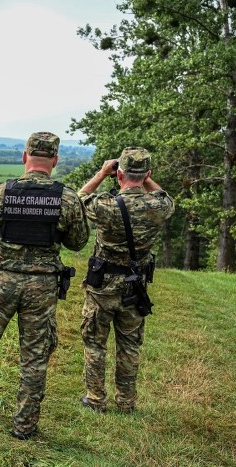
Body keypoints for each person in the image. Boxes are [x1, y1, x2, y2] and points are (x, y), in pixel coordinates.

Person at [0, 131, 89, 440]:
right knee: (35, 355)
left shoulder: (1, 193)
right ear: (55, 160)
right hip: (42, 287)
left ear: (24, 157)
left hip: (3, 281)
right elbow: (78, 242)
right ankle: (24, 426)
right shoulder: (66, 198)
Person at [77, 147, 175, 413]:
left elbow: (79, 199)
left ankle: (95, 399)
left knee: (95, 343)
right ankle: (126, 401)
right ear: (147, 175)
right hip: (135, 286)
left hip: (102, 286)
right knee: (130, 345)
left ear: (118, 174)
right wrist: (146, 179)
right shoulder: (158, 206)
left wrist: (100, 173)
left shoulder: (105, 206)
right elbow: (166, 197)